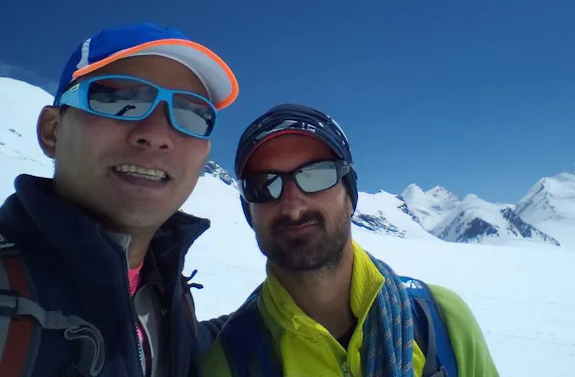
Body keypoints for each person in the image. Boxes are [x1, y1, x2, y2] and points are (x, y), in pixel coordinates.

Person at [0, 22, 239, 377]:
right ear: (53, 130)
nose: (157, 134)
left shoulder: (168, 296)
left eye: (192, 114)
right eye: (119, 100)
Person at [202, 104, 499, 377]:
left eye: (316, 175)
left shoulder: (440, 321)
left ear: (350, 194)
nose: (293, 207)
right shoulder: (230, 362)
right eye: (264, 185)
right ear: (249, 211)